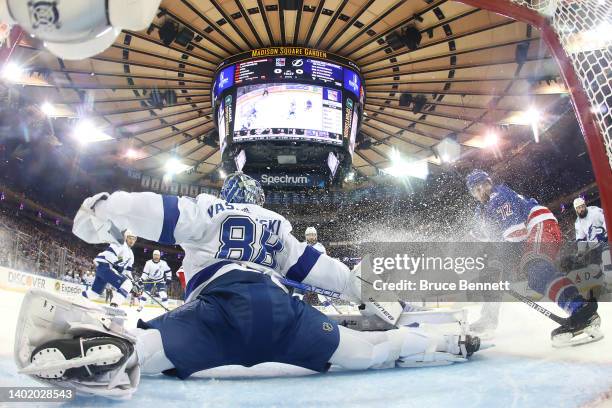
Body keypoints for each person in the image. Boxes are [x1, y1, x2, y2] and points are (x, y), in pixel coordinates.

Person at [16, 172, 481, 398]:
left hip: (218, 313)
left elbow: (160, 211)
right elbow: (321, 271)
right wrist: (370, 289)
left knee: (147, 348)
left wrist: (104, 208)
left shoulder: (210, 210)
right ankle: (451, 342)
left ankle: (93, 347)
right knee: (367, 352)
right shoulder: (276, 224)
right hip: (281, 313)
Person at [466, 169, 602, 346]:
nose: (481, 191)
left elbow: (516, 233)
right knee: (494, 274)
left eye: (483, 185)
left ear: (489, 183)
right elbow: (482, 234)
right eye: (476, 190)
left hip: (539, 225)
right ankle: (488, 319)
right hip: (524, 238)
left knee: (536, 268)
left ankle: (582, 310)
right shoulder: (482, 211)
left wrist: (504, 262)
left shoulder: (499, 198)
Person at [83, 229, 137, 307]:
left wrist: (134, 282)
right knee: (127, 284)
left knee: (94, 293)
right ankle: (114, 306)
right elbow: (110, 254)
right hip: (106, 267)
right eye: (130, 238)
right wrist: (117, 265)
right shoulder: (120, 243)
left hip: (104, 270)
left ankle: (79, 299)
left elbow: (127, 272)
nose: (132, 240)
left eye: (134, 239)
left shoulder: (131, 254)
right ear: (125, 237)